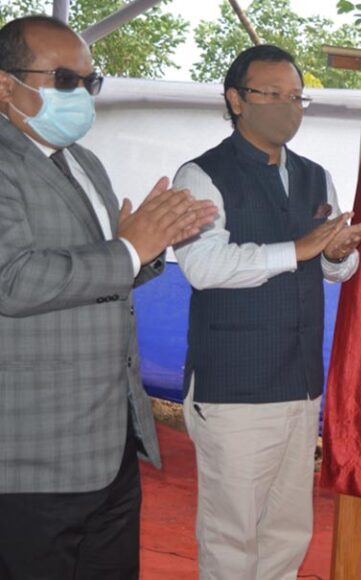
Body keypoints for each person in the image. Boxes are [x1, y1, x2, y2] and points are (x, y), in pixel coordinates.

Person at [0, 15, 215, 579]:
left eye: (90, 82)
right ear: (6, 85)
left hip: (109, 440)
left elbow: (109, 279)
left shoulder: (84, 163)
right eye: (66, 80)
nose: (83, 95)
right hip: (30, 454)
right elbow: (12, 280)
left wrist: (148, 249)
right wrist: (127, 249)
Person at [173, 44, 361, 580]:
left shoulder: (314, 175)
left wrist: (334, 254)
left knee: (288, 527)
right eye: (273, 94)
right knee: (232, 532)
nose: (289, 107)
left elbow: (336, 272)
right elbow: (203, 266)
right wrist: (298, 250)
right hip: (234, 387)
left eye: (297, 97)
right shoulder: (200, 175)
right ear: (236, 100)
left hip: (300, 382)